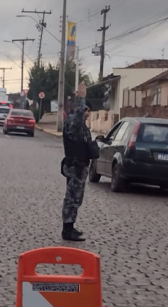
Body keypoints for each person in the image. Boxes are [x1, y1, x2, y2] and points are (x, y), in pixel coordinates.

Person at [60, 82, 95, 242]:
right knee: (72, 198)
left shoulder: (81, 126)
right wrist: (81, 98)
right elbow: (79, 117)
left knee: (76, 198)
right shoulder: (74, 122)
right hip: (75, 165)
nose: (88, 114)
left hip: (80, 166)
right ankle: (67, 229)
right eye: (87, 110)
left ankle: (70, 226)